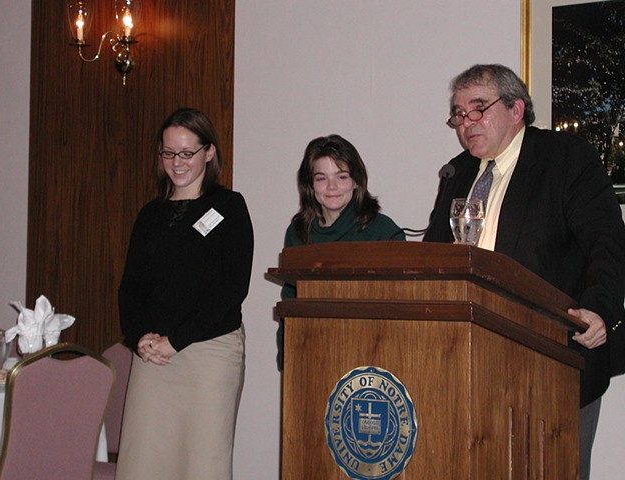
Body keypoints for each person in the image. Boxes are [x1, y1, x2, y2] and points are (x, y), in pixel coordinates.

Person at [423, 64, 625, 480]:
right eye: (458, 114)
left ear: (516, 108)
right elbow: (436, 257)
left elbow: (607, 240)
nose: (466, 123)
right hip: (471, 356)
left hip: (552, 355)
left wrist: (600, 308)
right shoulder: (457, 172)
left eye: (478, 108)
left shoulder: (564, 159)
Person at [116, 108, 254, 479]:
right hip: (154, 354)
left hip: (208, 351)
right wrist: (139, 335)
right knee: (142, 462)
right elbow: (132, 287)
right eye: (168, 153)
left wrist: (178, 340)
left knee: (202, 463)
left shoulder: (229, 207)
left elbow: (232, 288)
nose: (176, 163)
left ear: (208, 152)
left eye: (186, 153)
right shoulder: (150, 215)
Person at [278, 134, 405, 368]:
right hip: (309, 352)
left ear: (356, 181)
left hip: (371, 356)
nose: (332, 187)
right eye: (321, 178)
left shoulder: (383, 231)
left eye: (341, 176)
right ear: (309, 185)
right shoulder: (298, 232)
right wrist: (288, 355)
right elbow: (290, 300)